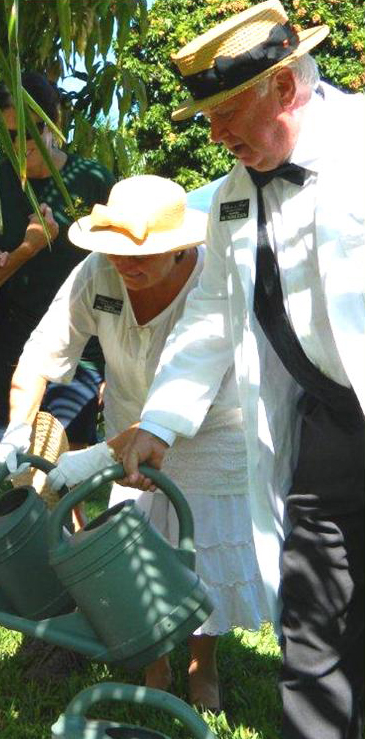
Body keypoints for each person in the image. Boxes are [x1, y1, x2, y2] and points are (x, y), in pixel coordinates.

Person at [120, 3, 364, 738]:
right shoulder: (229, 196)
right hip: (327, 427)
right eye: (208, 118)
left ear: (285, 88)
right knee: (313, 610)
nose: (216, 134)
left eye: (227, 112)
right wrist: (159, 419)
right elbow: (214, 318)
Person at [0, 175, 269, 708]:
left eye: (140, 253)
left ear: (181, 245)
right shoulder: (95, 274)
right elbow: (40, 356)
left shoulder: (215, 280)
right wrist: (15, 433)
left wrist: (94, 458)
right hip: (127, 417)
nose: (125, 263)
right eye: (116, 251)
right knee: (140, 548)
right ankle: (155, 664)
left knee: (200, 556)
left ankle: (201, 663)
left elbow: (198, 394)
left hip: (210, 428)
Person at [0, 71, 115, 454]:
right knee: (21, 463)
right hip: (15, 347)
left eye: (30, 130)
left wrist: (116, 363)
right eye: (6, 135)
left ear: (55, 120)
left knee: (69, 467)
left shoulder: (92, 181)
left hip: (83, 350)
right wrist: (27, 249)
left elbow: (122, 272)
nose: (19, 145)